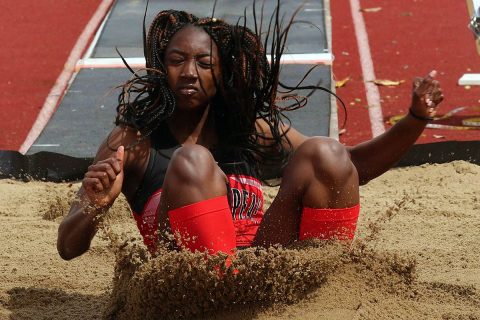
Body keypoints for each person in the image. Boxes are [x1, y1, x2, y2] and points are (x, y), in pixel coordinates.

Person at [57, 8, 443, 260]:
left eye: (204, 63)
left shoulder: (250, 131)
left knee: (326, 152)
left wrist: (414, 120)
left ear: (222, 73)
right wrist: (95, 204)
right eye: (177, 61)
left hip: (261, 272)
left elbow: (351, 166)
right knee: (192, 161)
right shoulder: (132, 142)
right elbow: (68, 247)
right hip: (190, 286)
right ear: (161, 68)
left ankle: (326, 278)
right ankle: (223, 289)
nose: (189, 72)